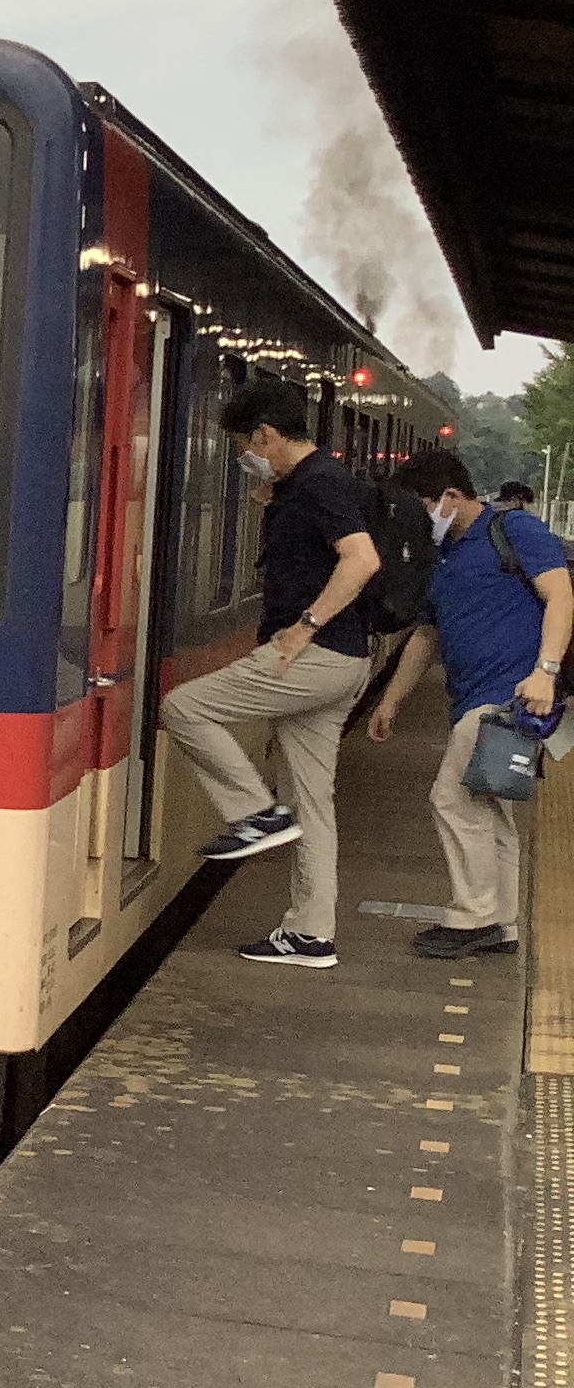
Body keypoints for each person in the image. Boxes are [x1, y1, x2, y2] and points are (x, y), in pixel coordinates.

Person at [157, 375, 381, 967]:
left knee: (183, 706)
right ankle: (310, 935)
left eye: (245, 445)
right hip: (342, 662)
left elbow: (362, 559)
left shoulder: (320, 484)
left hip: (314, 656)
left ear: (267, 434)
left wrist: (306, 627)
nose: (243, 458)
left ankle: (254, 815)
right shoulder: (303, 485)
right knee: (312, 804)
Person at [365, 449, 573, 957]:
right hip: (473, 698)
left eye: (422, 507)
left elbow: (562, 596)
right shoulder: (447, 554)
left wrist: (545, 673)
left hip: (511, 695)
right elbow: (427, 633)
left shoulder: (516, 532)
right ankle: (501, 923)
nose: (418, 520)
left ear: (451, 498)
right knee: (485, 802)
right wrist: (392, 698)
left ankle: (472, 918)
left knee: (452, 798)